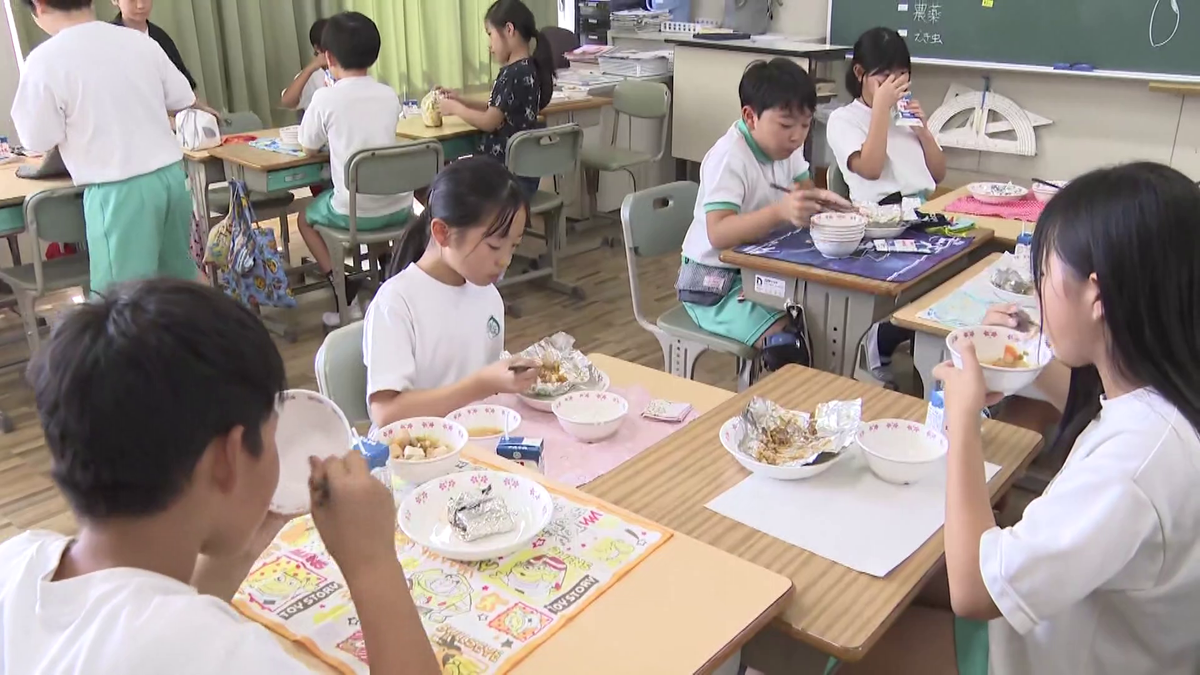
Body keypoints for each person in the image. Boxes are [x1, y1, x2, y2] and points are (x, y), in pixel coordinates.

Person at [838, 162, 1200, 675]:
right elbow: (1076, 394)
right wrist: (1012, 355)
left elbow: (974, 591)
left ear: (1096, 296)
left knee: (859, 640)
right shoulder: (1165, 394)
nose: (1038, 295)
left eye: (1046, 276)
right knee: (894, 580)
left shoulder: (1134, 463)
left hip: (1050, 655)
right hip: (1076, 618)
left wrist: (963, 419)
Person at [0, 279, 440, 675]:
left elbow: (147, 614)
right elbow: (179, 643)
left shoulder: (15, 562)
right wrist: (371, 562)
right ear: (228, 458)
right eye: (272, 434)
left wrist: (239, 543)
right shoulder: (226, 654)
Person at [12, 0, 199, 293]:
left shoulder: (45, 60)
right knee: (179, 286)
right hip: (171, 180)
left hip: (117, 190)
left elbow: (36, 139)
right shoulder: (139, 41)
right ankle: (203, 338)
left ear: (39, 5)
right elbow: (182, 97)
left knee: (120, 302)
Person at [678, 58, 850, 351]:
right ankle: (769, 394)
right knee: (790, 343)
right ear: (750, 117)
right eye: (785, 124)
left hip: (760, 269)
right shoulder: (729, 157)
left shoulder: (787, 148)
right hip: (713, 284)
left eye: (806, 125)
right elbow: (718, 233)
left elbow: (803, 190)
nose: (797, 136)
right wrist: (780, 212)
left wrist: (821, 204)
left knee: (824, 318)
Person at [364, 157, 538, 428]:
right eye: (494, 246)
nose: (505, 260)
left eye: (513, 246)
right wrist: (481, 384)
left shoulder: (488, 295)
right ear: (442, 232)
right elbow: (386, 413)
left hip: (474, 440)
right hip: (416, 454)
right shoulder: (397, 303)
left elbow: (481, 386)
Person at [827, 27, 948, 385]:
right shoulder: (843, 119)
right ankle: (888, 337)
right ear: (860, 74)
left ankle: (897, 338)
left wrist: (923, 128)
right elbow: (871, 168)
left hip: (919, 215)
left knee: (959, 269)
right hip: (879, 224)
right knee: (934, 282)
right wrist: (880, 110)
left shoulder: (903, 114)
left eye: (900, 76)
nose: (894, 84)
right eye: (884, 76)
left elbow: (938, 174)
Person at [296, 11, 414, 328]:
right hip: (400, 208)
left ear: (328, 56)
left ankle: (341, 286)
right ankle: (388, 271)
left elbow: (308, 145)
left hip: (354, 213)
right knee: (372, 192)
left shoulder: (326, 98)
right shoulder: (388, 95)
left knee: (304, 217)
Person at [437, 0, 554, 197]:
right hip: (523, 175)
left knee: (446, 182)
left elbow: (490, 122)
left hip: (502, 180)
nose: (490, 46)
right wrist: (461, 100)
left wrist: (456, 109)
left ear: (509, 29)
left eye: (490, 35)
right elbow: (500, 108)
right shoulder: (528, 68)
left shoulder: (511, 73)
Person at [111, 0, 221, 118]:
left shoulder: (160, 37)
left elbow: (184, 85)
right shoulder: (108, 39)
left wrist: (202, 109)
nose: (140, 5)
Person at [280, 17, 332, 119]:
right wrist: (311, 68)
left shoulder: (351, 69)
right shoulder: (312, 75)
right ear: (317, 48)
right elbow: (287, 102)